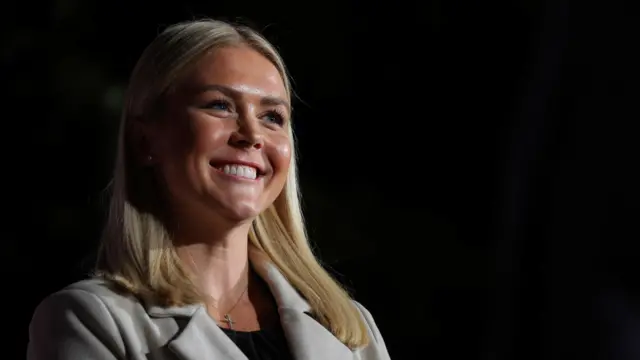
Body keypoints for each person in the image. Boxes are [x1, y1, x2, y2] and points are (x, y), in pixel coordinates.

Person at [26, 19, 390, 360]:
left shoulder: (352, 330)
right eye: (219, 105)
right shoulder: (90, 319)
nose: (252, 135)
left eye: (272, 117)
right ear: (144, 141)